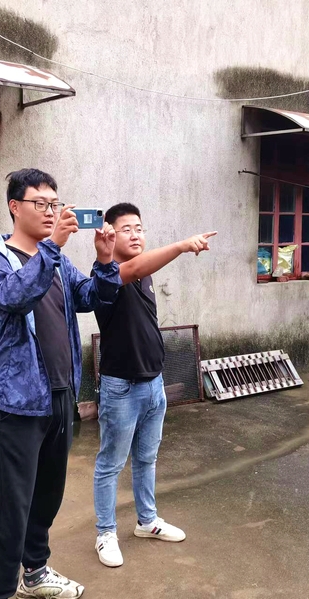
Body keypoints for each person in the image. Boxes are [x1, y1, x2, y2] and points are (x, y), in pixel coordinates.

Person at [0, 169, 121, 599]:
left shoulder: (56, 262)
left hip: (59, 397)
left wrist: (105, 262)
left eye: (56, 204)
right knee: (9, 509)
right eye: (41, 204)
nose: (51, 211)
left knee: (46, 497)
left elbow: (91, 297)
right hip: (14, 405)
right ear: (15, 207)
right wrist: (52, 246)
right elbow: (14, 296)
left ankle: (35, 573)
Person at [92, 202, 216, 568]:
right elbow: (129, 269)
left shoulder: (143, 275)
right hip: (121, 388)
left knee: (147, 458)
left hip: (153, 384)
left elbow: (140, 270)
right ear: (109, 235)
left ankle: (147, 521)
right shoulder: (108, 274)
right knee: (110, 464)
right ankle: (105, 533)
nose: (135, 235)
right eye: (126, 229)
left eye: (139, 228)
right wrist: (181, 245)